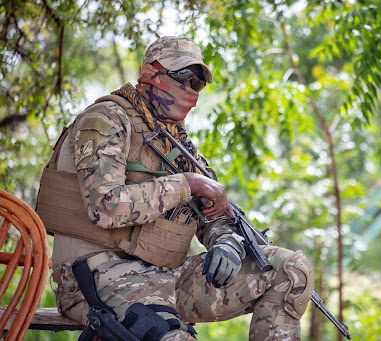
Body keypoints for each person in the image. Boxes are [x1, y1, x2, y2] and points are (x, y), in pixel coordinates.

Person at [37, 36, 314, 341]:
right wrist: (189, 184)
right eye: (183, 78)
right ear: (152, 74)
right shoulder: (106, 118)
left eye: (197, 83)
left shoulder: (179, 146)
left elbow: (215, 213)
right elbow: (105, 206)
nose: (191, 90)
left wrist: (226, 242)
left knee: (288, 270)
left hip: (166, 278)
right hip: (95, 276)